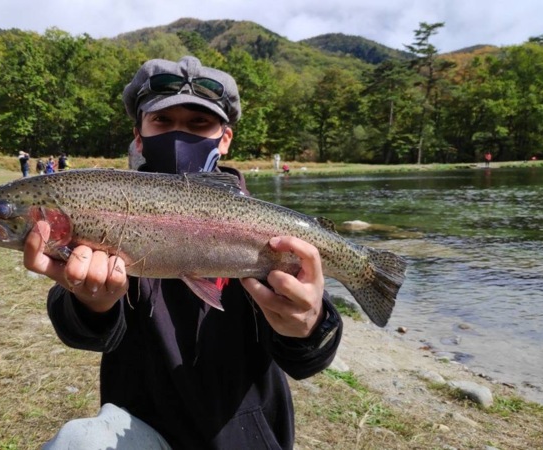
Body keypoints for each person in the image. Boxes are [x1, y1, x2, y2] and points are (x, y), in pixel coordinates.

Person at [24, 56, 342, 450]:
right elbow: (82, 334)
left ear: (224, 138)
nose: (178, 136)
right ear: (138, 136)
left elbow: (306, 361)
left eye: (197, 124)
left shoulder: (260, 230)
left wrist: (308, 325)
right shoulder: (104, 211)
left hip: (242, 437)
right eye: (162, 122)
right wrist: (91, 304)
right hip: (137, 426)